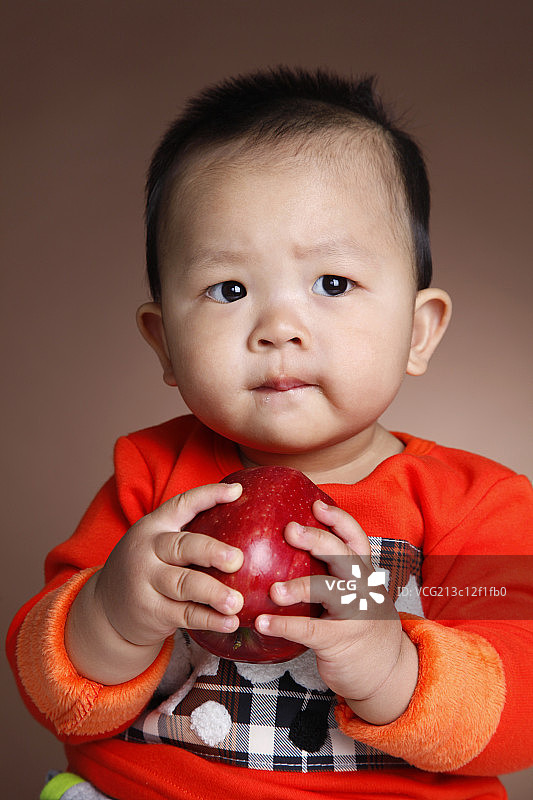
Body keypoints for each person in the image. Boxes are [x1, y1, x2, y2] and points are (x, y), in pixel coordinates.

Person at [7, 67, 533, 800]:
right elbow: (52, 693)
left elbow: (519, 716)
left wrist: (391, 665)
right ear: (164, 343)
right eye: (229, 290)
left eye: (332, 284)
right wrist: (114, 614)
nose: (279, 328)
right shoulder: (153, 477)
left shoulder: (473, 505)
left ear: (418, 330)